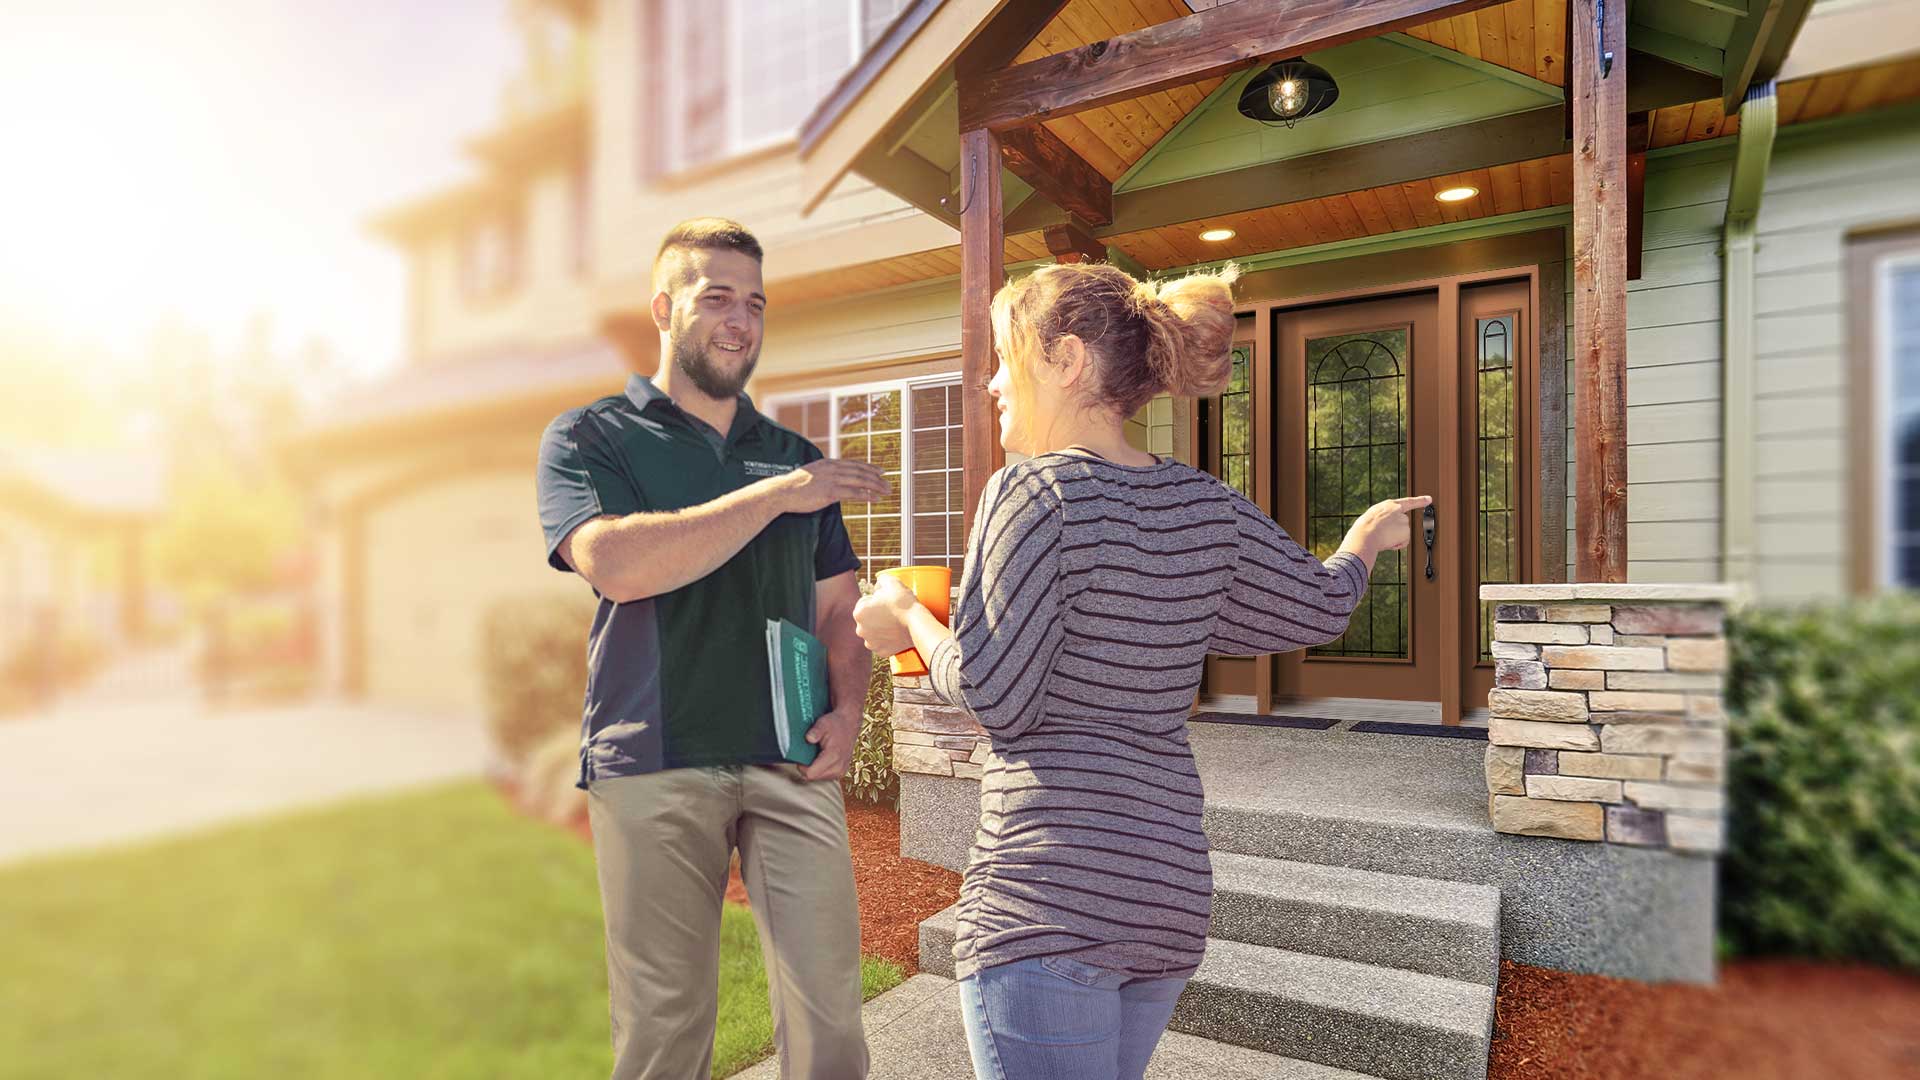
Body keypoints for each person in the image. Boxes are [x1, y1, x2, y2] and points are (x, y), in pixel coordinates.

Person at [851, 262, 1430, 1080]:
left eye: (1001, 356)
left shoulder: (1031, 492)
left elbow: (994, 695)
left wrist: (905, 617)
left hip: (1052, 896)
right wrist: (1365, 539)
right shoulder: (1204, 505)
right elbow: (1319, 606)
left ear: (1066, 360)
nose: (988, 382)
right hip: (1166, 898)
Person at [536, 218, 887, 1080]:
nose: (741, 320)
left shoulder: (791, 456)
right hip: (653, 756)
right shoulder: (593, 437)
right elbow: (616, 563)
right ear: (664, 308)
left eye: (756, 303)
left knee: (831, 1019)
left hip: (788, 760)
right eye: (717, 297)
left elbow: (838, 607)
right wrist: (774, 499)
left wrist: (848, 710)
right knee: (664, 1028)